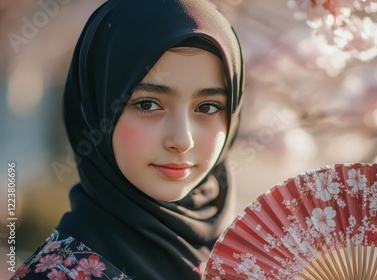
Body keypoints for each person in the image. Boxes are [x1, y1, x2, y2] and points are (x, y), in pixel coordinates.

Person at [11, 0, 244, 279]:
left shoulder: (250, 255)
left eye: (208, 107)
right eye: (147, 104)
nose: (182, 140)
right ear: (94, 108)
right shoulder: (58, 274)